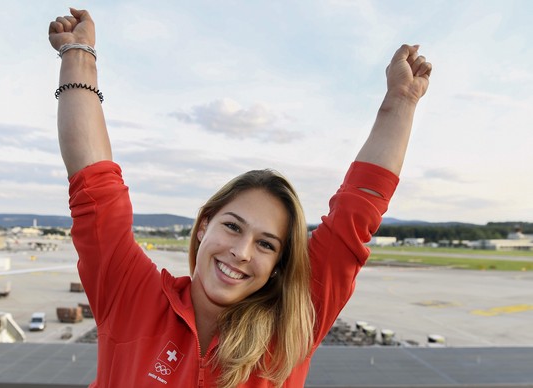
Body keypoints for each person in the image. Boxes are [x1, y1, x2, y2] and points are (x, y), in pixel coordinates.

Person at [49, 8, 431, 388]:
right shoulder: (132, 297)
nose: (242, 252)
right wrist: (78, 55)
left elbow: (357, 211)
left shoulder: (293, 324)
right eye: (233, 226)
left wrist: (402, 100)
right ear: (203, 226)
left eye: (266, 244)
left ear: (279, 263)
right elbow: (95, 187)